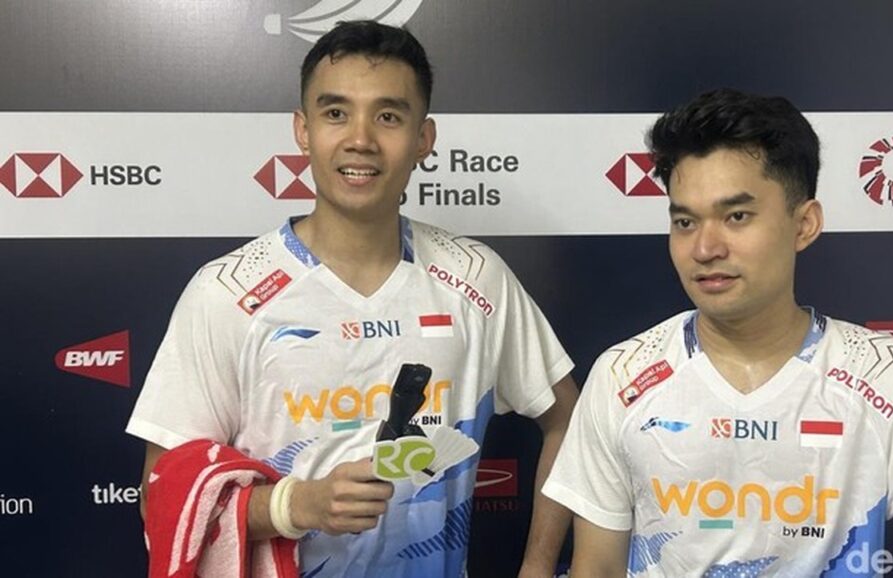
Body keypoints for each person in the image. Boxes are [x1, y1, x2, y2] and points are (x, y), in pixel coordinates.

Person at [127, 20, 577, 578]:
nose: (360, 139)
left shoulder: (475, 279)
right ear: (303, 130)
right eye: (336, 113)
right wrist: (295, 506)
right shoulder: (227, 293)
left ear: (423, 139)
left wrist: (538, 567)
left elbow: (568, 421)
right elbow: (161, 498)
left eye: (388, 116)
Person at [542, 88, 893, 577]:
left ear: (804, 224)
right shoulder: (623, 376)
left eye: (736, 216)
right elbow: (597, 567)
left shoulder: (887, 375)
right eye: (685, 221)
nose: (705, 248)